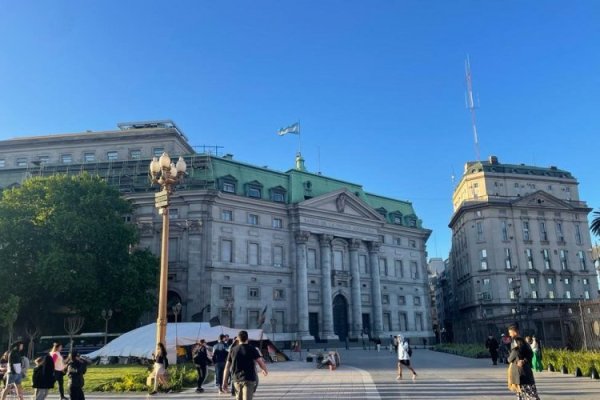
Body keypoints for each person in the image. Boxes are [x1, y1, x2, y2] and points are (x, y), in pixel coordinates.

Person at [222, 330, 268, 400]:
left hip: (236, 379)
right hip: (248, 379)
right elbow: (260, 362)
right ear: (247, 338)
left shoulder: (233, 350)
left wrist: (224, 382)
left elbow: (227, 367)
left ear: (238, 338)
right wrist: (264, 369)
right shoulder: (252, 349)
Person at [507, 324, 540, 400]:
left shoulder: (516, 341)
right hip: (526, 370)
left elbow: (514, 353)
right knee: (529, 393)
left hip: (520, 372)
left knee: (526, 393)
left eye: (510, 332)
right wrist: (525, 361)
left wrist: (509, 359)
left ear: (514, 332)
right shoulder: (524, 341)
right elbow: (530, 353)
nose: (509, 334)